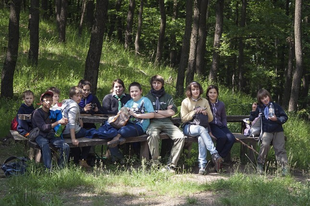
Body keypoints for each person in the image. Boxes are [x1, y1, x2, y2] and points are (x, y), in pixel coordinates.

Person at [180, 82, 223, 174]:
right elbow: (183, 119)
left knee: (201, 138)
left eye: (197, 89)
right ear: (190, 91)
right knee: (202, 130)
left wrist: (205, 111)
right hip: (189, 127)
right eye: (193, 89)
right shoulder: (185, 101)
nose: (196, 91)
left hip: (202, 127)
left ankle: (202, 167)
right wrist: (194, 112)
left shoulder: (204, 101)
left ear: (200, 90)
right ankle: (214, 153)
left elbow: (211, 119)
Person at [145, 75, 185, 172]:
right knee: (152, 135)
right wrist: (164, 113)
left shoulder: (168, 97)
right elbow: (148, 114)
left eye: (158, 83)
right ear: (151, 84)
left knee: (180, 137)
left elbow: (172, 112)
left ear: (162, 84)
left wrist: (156, 112)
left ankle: (171, 165)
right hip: (153, 122)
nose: (156, 85)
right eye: (154, 83)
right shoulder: (147, 97)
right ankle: (156, 164)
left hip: (168, 122)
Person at [250, 88, 289, 176]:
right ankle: (260, 164)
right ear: (260, 100)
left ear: (269, 96)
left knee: (280, 148)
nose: (265, 99)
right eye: (262, 98)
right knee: (265, 145)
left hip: (278, 130)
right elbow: (251, 119)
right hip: (267, 131)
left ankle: (284, 168)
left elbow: (285, 117)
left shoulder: (276, 106)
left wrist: (277, 119)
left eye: (266, 97)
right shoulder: (260, 108)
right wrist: (253, 110)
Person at [107, 82, 155, 148]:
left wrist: (136, 115)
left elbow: (152, 115)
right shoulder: (130, 102)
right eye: (132, 91)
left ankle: (117, 138)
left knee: (123, 130)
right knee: (109, 126)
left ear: (141, 91)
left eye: (136, 91)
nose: (134, 93)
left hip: (140, 126)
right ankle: (118, 141)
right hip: (129, 124)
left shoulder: (145, 100)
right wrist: (122, 111)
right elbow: (123, 111)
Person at [31, 91, 69, 170]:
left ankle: (61, 168)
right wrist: (58, 122)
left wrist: (63, 125)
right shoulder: (37, 112)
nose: (49, 102)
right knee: (45, 144)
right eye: (46, 100)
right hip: (40, 135)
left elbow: (58, 129)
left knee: (66, 146)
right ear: (41, 102)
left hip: (51, 135)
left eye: (50, 100)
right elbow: (43, 128)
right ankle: (48, 169)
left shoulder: (53, 113)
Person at [101, 79, 131, 162]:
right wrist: (117, 113)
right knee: (111, 133)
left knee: (123, 133)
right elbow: (104, 111)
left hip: (124, 123)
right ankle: (119, 157)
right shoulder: (108, 97)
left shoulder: (128, 97)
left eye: (120, 87)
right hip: (111, 123)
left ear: (123, 88)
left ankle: (116, 156)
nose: (118, 89)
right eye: (116, 87)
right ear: (113, 88)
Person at [62, 86, 92, 168]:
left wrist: (79, 118)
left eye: (80, 96)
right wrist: (73, 139)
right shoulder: (74, 106)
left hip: (62, 131)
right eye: (77, 96)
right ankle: (83, 160)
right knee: (91, 135)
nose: (79, 98)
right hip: (70, 131)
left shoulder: (65, 102)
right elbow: (71, 123)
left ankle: (76, 159)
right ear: (71, 96)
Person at [206, 85, 235, 160]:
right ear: (207, 94)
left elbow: (224, 117)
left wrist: (224, 126)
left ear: (217, 94)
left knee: (231, 138)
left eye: (214, 92)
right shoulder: (205, 104)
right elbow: (205, 119)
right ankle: (216, 159)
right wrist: (209, 131)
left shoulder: (221, 104)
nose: (212, 94)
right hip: (211, 125)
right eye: (210, 92)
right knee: (222, 137)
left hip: (221, 125)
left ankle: (220, 158)